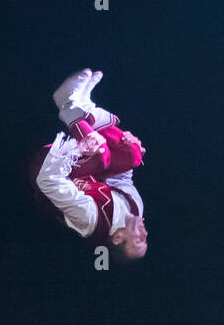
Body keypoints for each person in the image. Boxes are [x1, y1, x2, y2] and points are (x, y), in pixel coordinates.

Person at [33, 68, 148, 259]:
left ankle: (67, 103)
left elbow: (48, 181)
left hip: (48, 169)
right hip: (87, 167)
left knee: (100, 154)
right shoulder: (136, 207)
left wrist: (78, 151)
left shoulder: (91, 220)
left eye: (139, 240)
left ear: (118, 238)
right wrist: (130, 144)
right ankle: (85, 106)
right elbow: (121, 175)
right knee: (133, 156)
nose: (145, 234)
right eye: (146, 239)